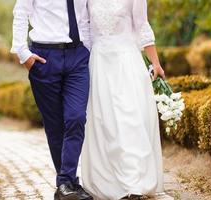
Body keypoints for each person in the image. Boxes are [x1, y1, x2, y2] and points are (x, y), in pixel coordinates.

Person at [81, 0, 166, 199]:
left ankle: (134, 184)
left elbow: (142, 25)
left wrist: (156, 63)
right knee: (105, 123)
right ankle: (110, 181)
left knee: (131, 120)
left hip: (127, 62)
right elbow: (84, 29)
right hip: (99, 64)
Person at [11, 0, 93, 199]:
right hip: (45, 58)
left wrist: (88, 49)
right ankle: (68, 183)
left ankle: (65, 182)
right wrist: (24, 54)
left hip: (78, 56)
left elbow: (86, 19)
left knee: (76, 118)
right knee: (55, 125)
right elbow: (20, 12)